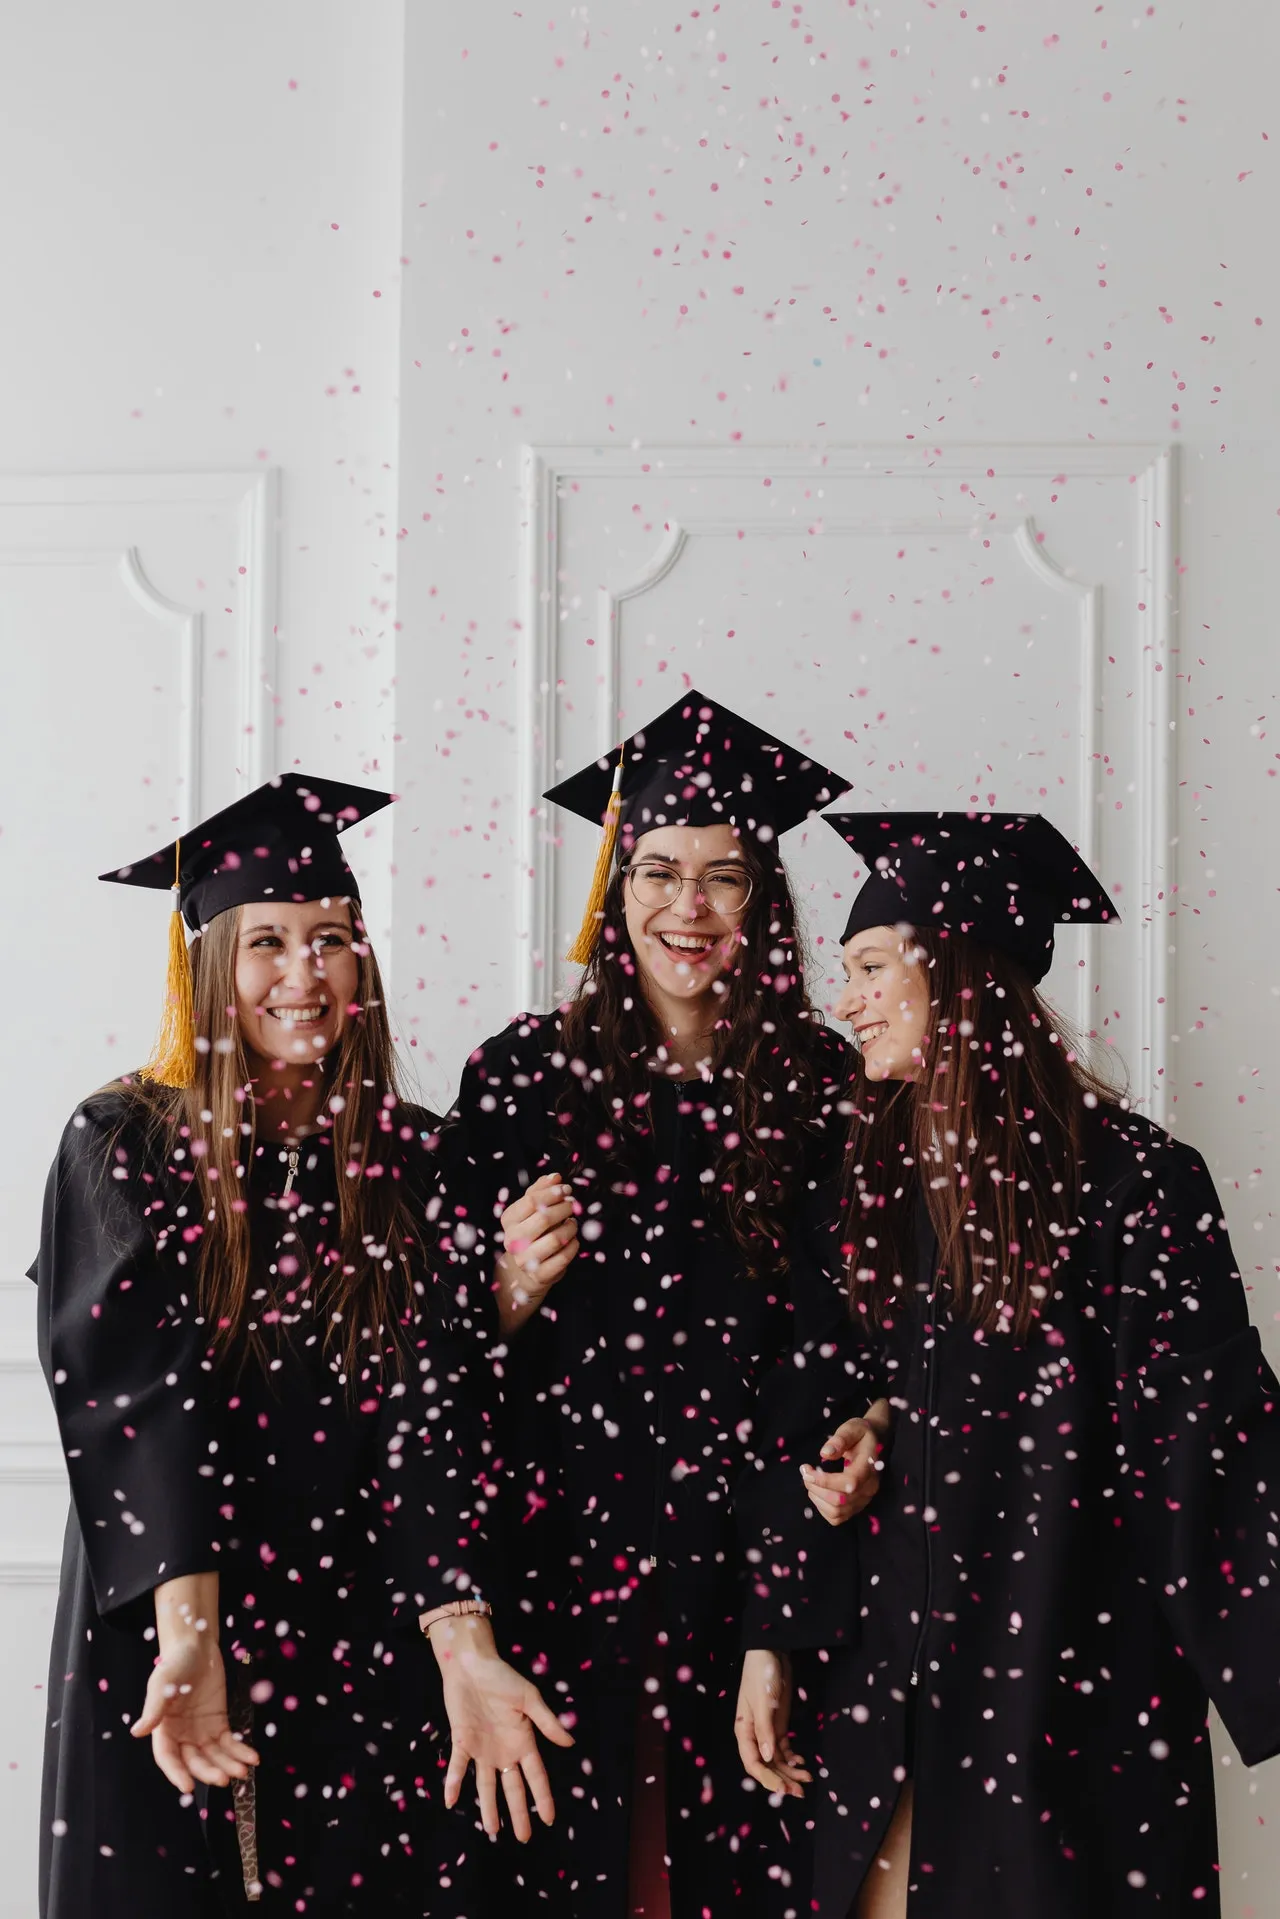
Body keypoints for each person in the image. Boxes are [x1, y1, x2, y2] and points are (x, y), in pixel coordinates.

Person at [33, 774, 568, 1919]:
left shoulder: (416, 1158)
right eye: (267, 942)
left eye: (330, 939)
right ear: (208, 966)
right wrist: (193, 1637)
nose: (304, 972)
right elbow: (140, 1404)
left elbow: (430, 1412)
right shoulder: (126, 1142)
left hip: (363, 1608)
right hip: (175, 1602)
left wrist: (501, 1302)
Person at [737, 809, 1280, 1919]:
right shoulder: (867, 1189)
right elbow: (817, 1393)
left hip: (1067, 1679)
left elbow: (1212, 1440)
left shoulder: (1133, 1183)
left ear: (958, 975)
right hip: (889, 1676)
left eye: (872, 966)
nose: (847, 1000)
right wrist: (860, 1440)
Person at [443, 691, 865, 1918]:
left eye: (723, 877)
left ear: (762, 903)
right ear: (615, 889)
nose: (689, 905)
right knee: (561, 1864)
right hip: (556, 1546)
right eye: (660, 871)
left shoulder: (820, 1085)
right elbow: (426, 1347)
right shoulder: (523, 1071)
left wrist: (777, 1602)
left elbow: (835, 1349)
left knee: (739, 1867)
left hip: (751, 1543)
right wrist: (506, 1288)